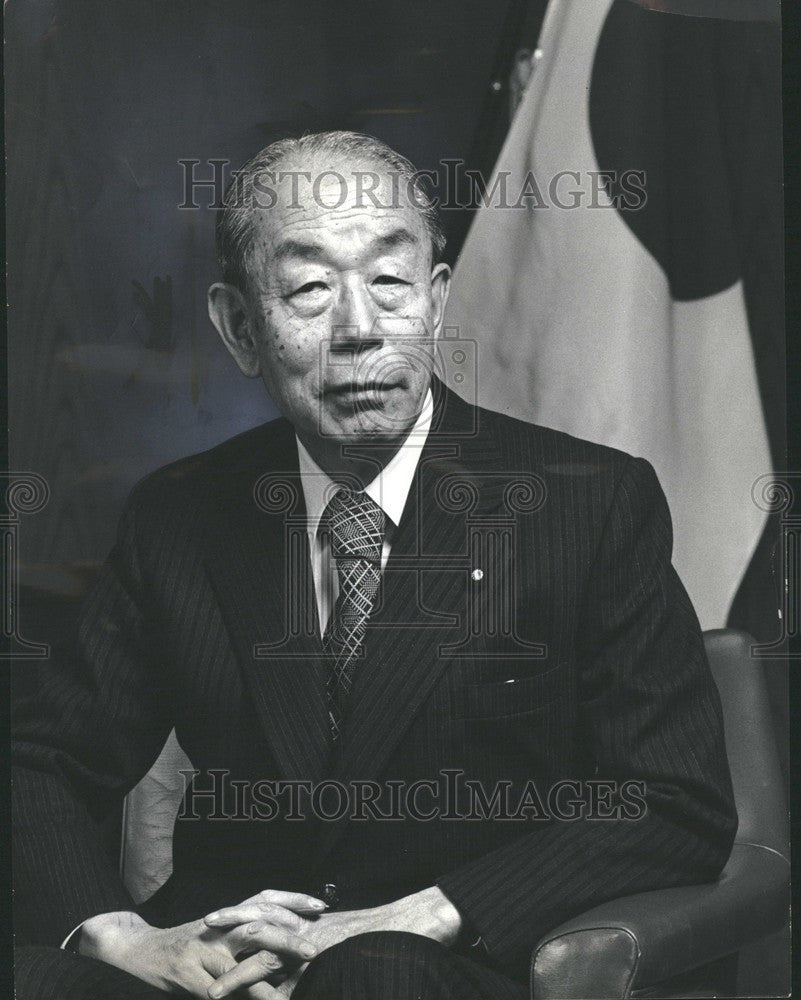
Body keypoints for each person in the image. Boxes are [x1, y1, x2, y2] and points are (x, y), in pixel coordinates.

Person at [13, 131, 737, 1000]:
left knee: (374, 976)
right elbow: (42, 762)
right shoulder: (179, 515)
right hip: (228, 963)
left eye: (390, 282)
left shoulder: (588, 502)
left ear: (434, 302)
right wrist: (120, 937)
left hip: (459, 959)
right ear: (241, 326)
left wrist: (425, 913)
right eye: (310, 289)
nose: (359, 330)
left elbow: (669, 800)